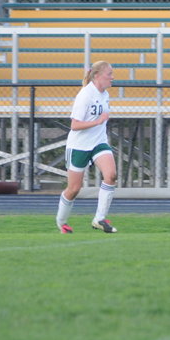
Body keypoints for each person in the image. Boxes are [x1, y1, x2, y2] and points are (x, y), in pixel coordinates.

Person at [56, 60, 117, 234]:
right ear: (97, 76)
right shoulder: (85, 95)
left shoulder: (105, 94)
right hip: (79, 146)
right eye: (109, 74)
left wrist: (99, 124)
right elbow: (74, 125)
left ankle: (99, 219)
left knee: (111, 175)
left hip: (98, 142)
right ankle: (62, 222)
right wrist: (97, 121)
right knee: (74, 189)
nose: (112, 77)